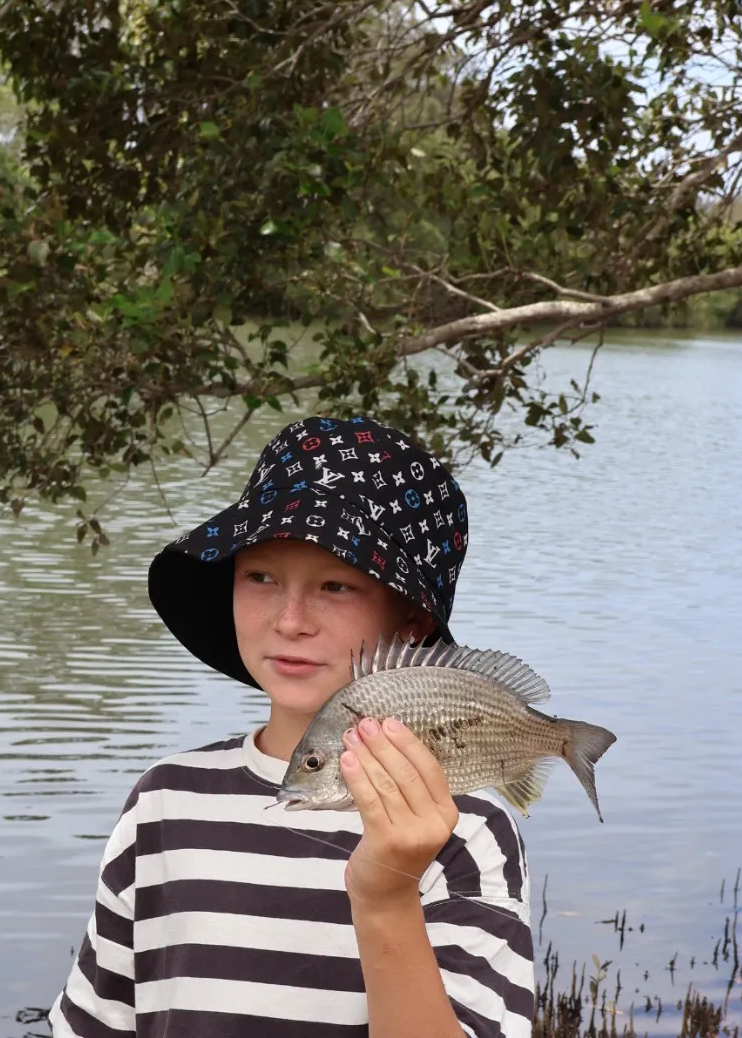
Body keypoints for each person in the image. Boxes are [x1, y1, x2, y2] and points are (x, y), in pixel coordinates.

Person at [49, 415, 534, 1038]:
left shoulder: (466, 832)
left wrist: (386, 896)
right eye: (260, 577)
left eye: (335, 584)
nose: (291, 620)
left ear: (411, 622)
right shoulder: (163, 802)